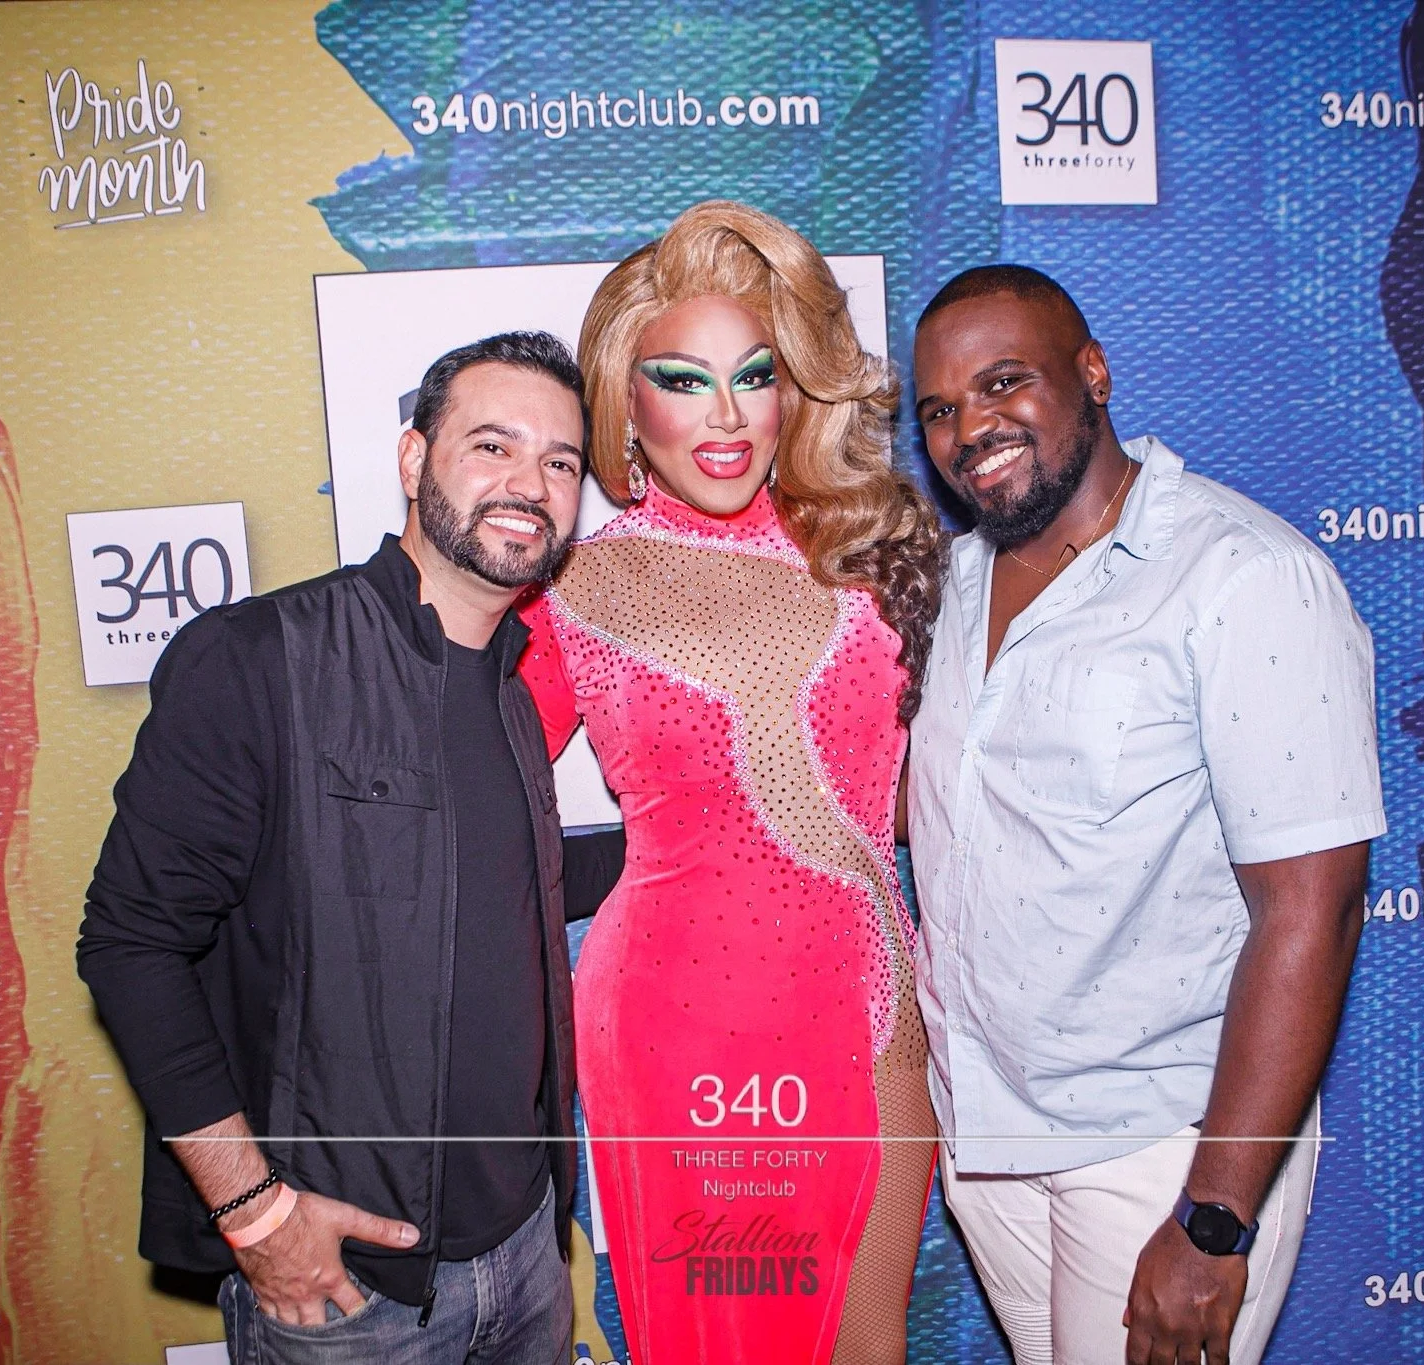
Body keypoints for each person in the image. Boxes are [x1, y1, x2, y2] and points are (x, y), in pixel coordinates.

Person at [78, 332, 627, 1364]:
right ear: (414, 459)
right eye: (493, 445)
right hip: (347, 1295)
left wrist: (692, 846)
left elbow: (511, 881)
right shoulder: (259, 660)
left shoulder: (511, 693)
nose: (530, 483)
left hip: (525, 1257)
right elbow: (130, 944)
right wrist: (253, 1213)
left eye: (559, 461)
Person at [904, 266, 1384, 1365]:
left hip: (1160, 1148)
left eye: (1003, 383)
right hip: (989, 1134)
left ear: (1093, 372)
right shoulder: (953, 585)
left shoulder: (1243, 576)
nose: (969, 428)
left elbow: (1314, 909)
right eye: (938, 409)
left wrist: (1213, 1219)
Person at [517, 200, 947, 1365]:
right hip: (689, 1031)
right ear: (626, 401)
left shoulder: (868, 551)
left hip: (878, 1009)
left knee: (870, 1347)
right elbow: (465, 798)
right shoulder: (572, 591)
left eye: (753, 376)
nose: (723, 414)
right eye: (682, 379)